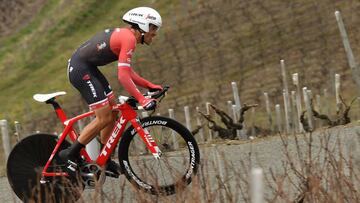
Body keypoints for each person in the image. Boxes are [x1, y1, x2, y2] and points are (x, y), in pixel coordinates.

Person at [59, 7, 163, 178]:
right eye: (153, 29)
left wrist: (150, 85)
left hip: (88, 68)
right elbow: (122, 77)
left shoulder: (128, 38)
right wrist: (141, 99)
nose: (155, 33)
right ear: (143, 26)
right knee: (104, 117)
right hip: (80, 69)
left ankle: (104, 158)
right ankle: (70, 153)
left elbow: (127, 72)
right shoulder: (128, 39)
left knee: (113, 113)